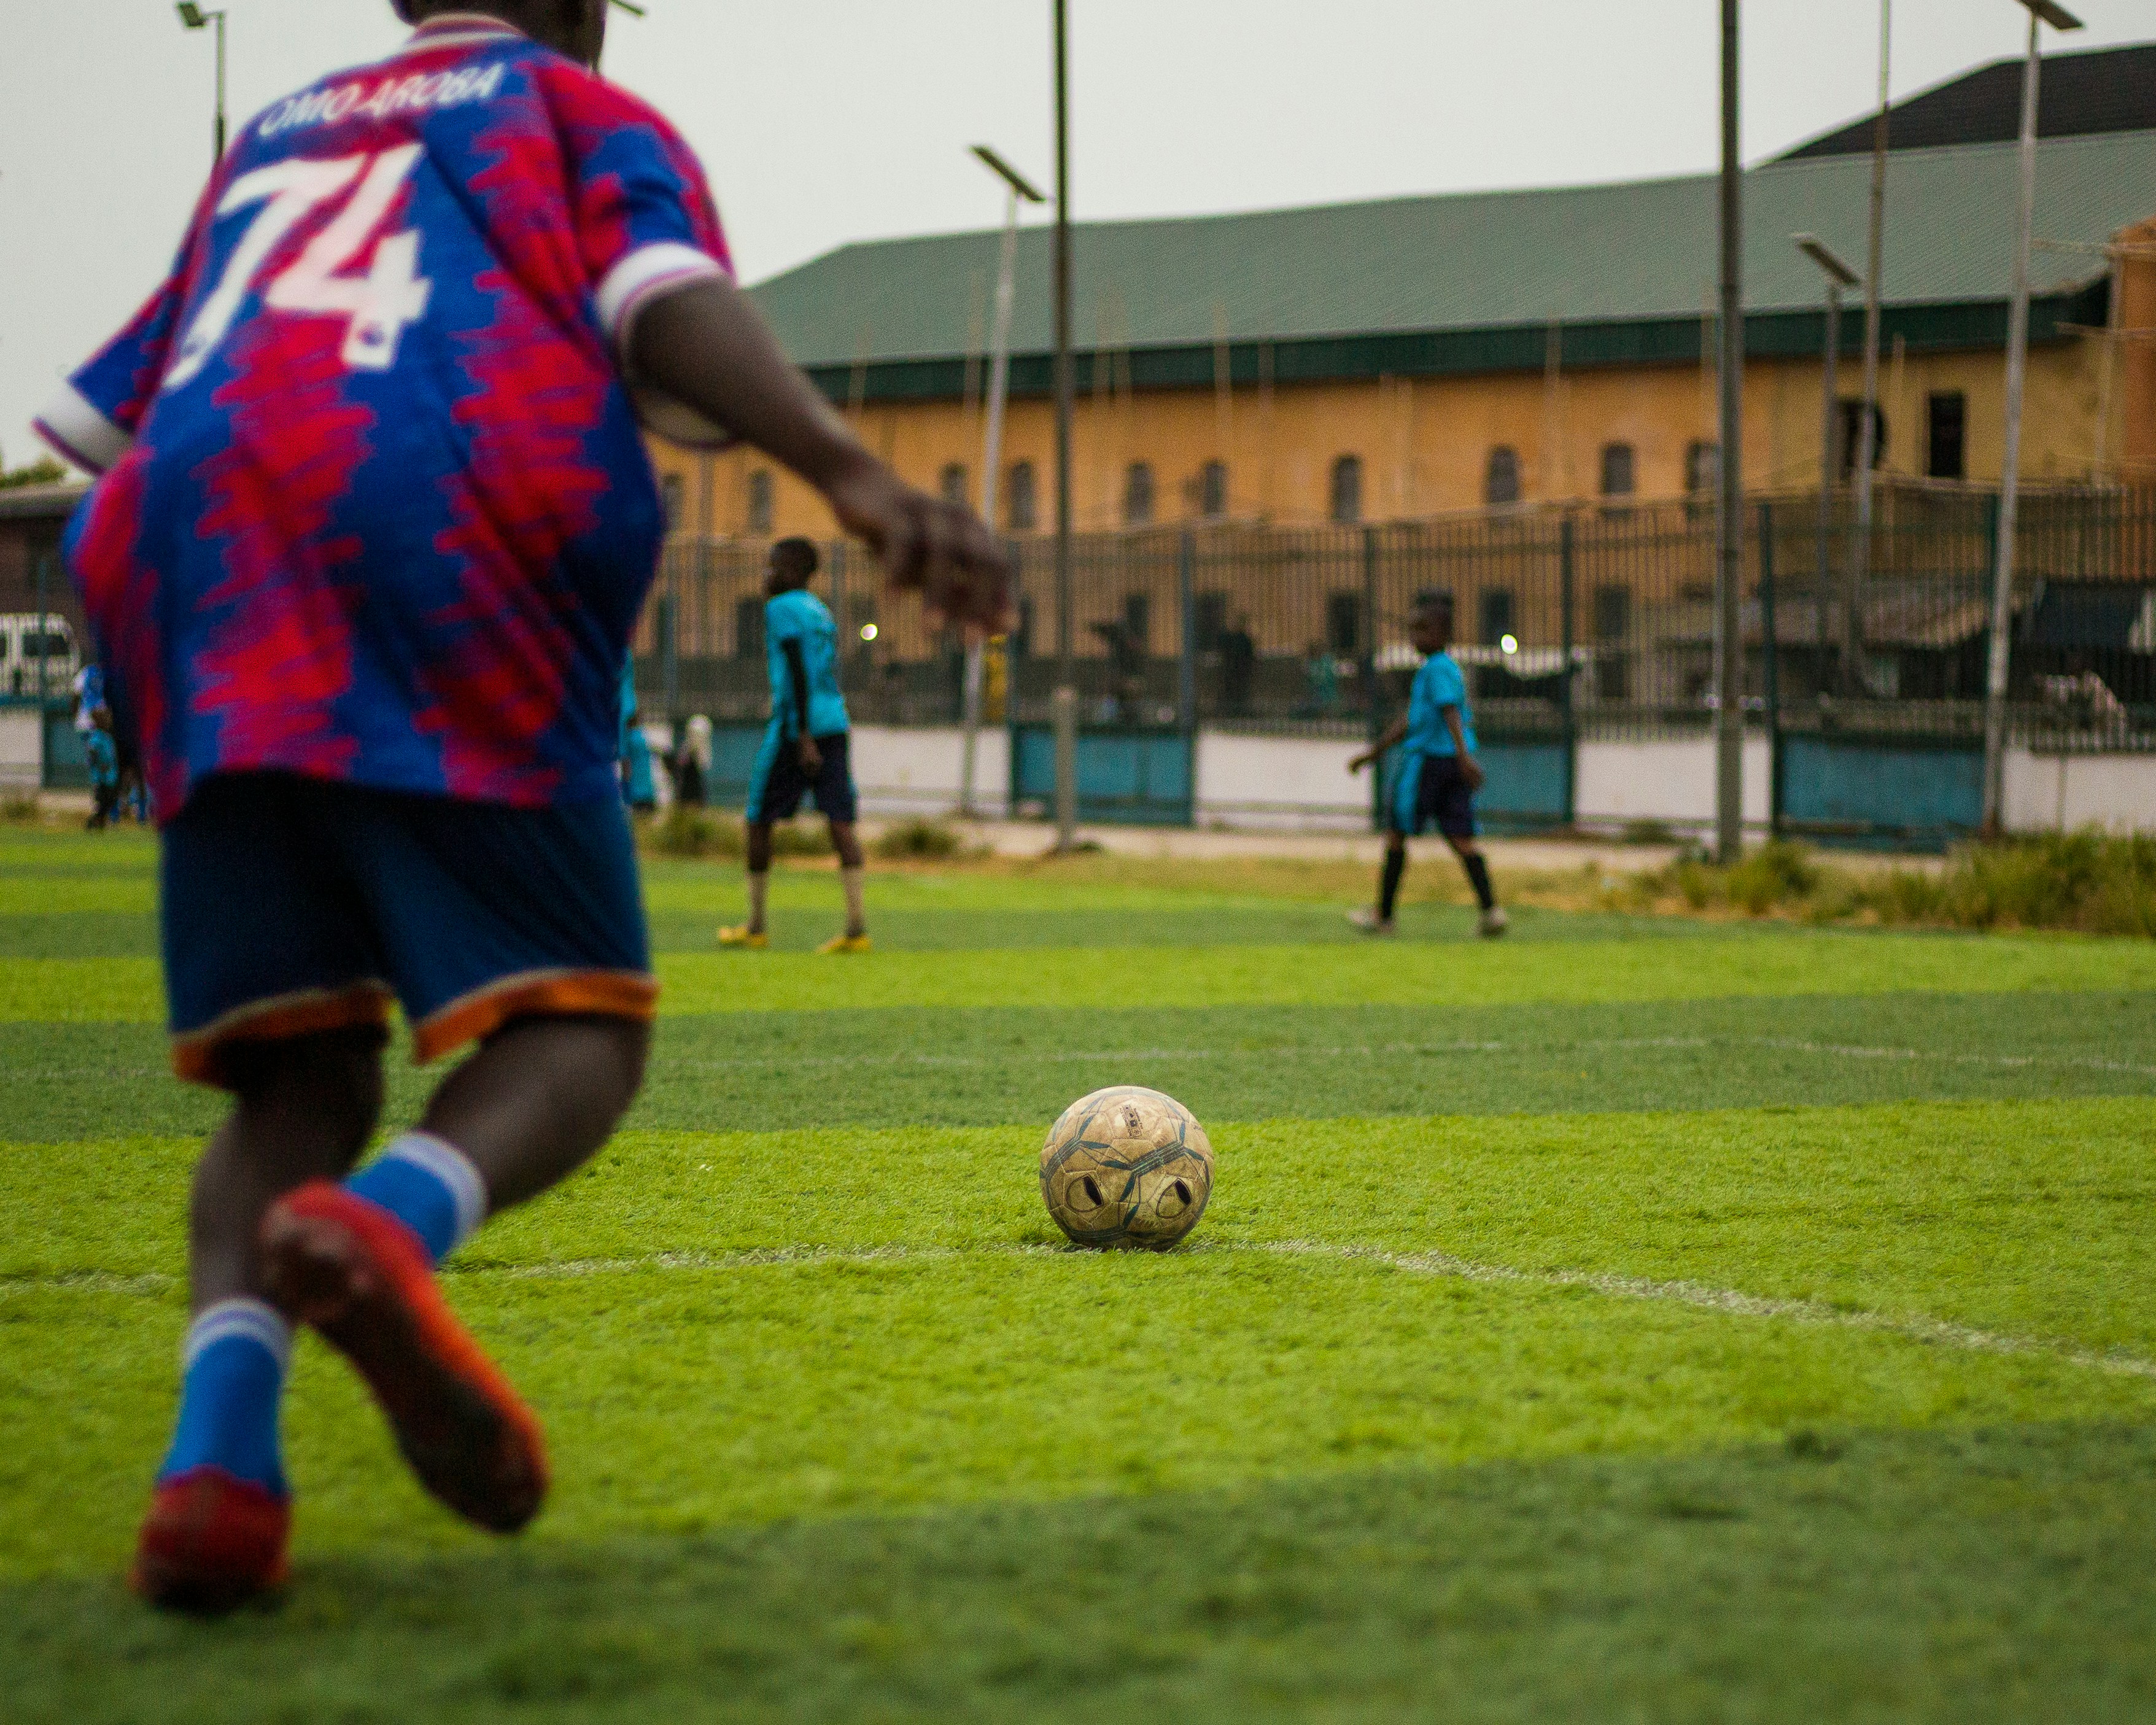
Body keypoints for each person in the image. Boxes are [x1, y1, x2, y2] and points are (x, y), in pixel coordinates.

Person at [35, 0, 1006, 1614]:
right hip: (439, 530)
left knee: (293, 1074)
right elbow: (661, 298)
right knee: (577, 1030)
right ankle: (390, 1224)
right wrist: (854, 471)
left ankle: (216, 1475)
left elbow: (86, 426)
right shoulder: (565, 112)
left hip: (183, 569)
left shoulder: (278, 132)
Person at [719, 538, 870, 953]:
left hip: (795, 728)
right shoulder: (820, 611)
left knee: (757, 819)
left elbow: (798, 669)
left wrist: (802, 733)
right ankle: (857, 930)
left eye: (775, 566)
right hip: (834, 719)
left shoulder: (780, 608)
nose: (768, 574)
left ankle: (756, 926)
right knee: (841, 820)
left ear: (796, 569)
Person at [1347, 595, 1506, 937]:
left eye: (1423, 630)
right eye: (1413, 630)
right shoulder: (1443, 669)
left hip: (1428, 766)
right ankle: (1491, 912)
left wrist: (1464, 756)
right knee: (1461, 840)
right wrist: (1374, 752)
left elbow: (1450, 712)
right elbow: (1414, 720)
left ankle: (1383, 917)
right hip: (1450, 765)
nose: (1415, 637)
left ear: (1443, 634)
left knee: (1395, 835)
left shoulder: (1436, 669)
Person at [84, 705, 120, 829]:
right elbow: (92, 756)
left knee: (111, 800)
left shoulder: (107, 737)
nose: (109, 721)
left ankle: (100, 821)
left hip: (111, 776)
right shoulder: (96, 738)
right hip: (101, 777)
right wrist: (99, 765)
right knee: (103, 801)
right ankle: (95, 822)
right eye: (106, 719)